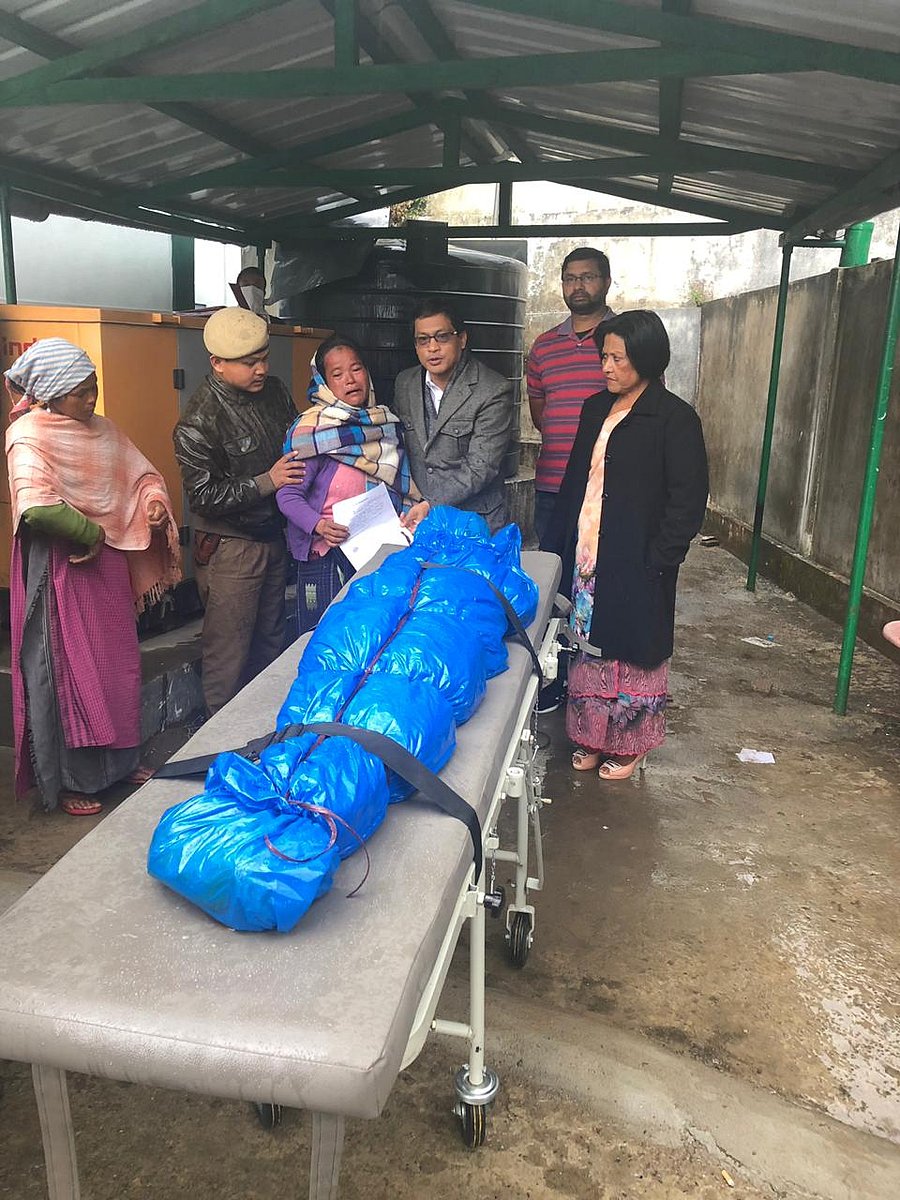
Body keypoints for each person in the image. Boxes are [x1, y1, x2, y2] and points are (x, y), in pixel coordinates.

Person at [5, 338, 180, 816]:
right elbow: (36, 506)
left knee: (115, 666)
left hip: (103, 569)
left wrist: (155, 506)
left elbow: (139, 476)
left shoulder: (104, 430)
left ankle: (120, 765)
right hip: (59, 570)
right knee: (65, 672)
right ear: (54, 393)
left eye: (93, 388)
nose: (91, 400)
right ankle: (66, 781)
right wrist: (90, 533)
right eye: (80, 392)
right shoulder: (29, 437)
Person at [543, 311, 708, 781]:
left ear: (646, 358)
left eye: (618, 357)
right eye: (604, 357)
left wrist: (660, 558)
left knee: (632, 650)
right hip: (589, 554)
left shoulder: (674, 418)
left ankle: (629, 743)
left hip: (639, 557)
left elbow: (688, 499)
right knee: (590, 646)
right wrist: (559, 546)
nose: (607, 367)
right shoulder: (596, 407)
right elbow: (577, 480)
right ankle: (591, 735)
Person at [173, 308, 304, 715]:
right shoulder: (197, 422)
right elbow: (204, 498)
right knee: (228, 652)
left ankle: (265, 729)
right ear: (217, 363)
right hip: (232, 548)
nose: (261, 369)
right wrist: (269, 481)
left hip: (274, 537)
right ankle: (216, 747)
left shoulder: (276, 391)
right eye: (249, 363)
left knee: (271, 639)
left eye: (264, 357)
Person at [277, 335, 425, 634]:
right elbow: (288, 495)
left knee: (374, 636)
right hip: (328, 558)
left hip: (381, 553)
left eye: (356, 369)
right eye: (337, 374)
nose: (350, 379)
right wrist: (318, 525)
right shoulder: (312, 432)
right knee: (325, 639)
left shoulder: (384, 425)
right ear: (323, 383)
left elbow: (400, 487)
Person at [391, 296, 515, 533]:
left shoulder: (493, 389)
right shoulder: (405, 383)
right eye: (423, 340)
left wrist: (431, 504)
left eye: (442, 337)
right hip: (420, 520)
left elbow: (481, 466)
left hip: (475, 522)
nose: (433, 348)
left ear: (462, 339)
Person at [527, 247, 614, 547]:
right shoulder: (544, 346)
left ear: (607, 282)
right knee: (552, 572)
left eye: (587, 277)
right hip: (553, 484)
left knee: (599, 577)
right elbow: (541, 415)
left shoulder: (625, 340)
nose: (577, 286)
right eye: (570, 279)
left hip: (607, 486)